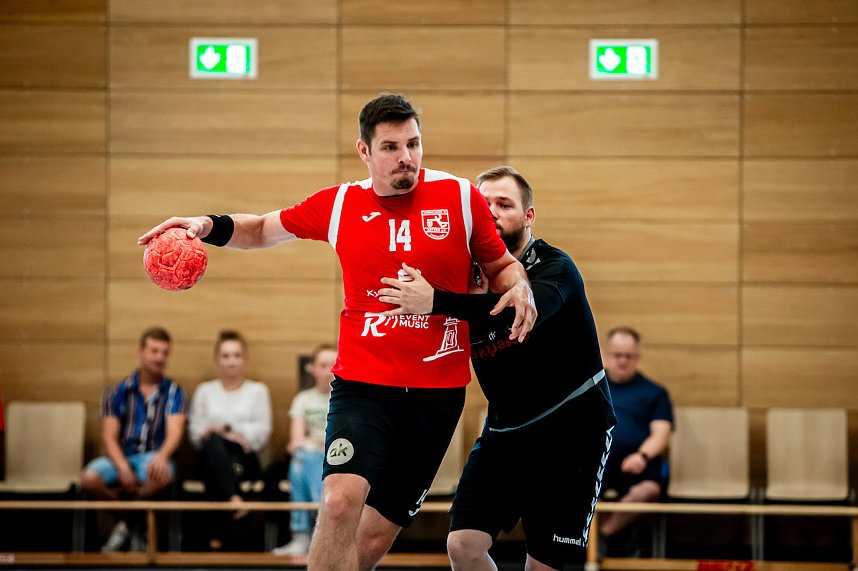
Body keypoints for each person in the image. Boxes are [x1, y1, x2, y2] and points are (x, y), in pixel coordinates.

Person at [137, 93, 536, 571]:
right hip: (364, 385)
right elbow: (261, 229)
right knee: (339, 501)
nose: (405, 157)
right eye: (390, 147)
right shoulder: (342, 204)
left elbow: (501, 265)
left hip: (436, 395)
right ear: (364, 151)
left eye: (413, 144)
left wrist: (520, 285)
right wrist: (207, 224)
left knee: (373, 537)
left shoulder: (460, 197)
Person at [378, 166, 616, 570]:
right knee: (463, 545)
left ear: (528, 215)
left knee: (543, 564)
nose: (491, 212)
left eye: (504, 204)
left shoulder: (555, 267)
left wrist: (435, 301)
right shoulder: (463, 276)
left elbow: (514, 314)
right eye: (482, 204)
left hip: (572, 431)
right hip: (506, 431)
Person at [80, 326, 187, 552]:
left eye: (165, 352)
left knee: (163, 474)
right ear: (140, 352)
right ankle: (133, 521)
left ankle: (124, 525)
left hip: (154, 456)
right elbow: (108, 436)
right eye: (154, 351)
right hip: (122, 456)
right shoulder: (116, 391)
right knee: (89, 479)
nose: (159, 357)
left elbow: (175, 433)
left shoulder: (174, 392)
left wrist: (162, 456)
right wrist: (122, 467)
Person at [188, 330, 272, 550]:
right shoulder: (205, 391)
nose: (231, 361)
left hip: (245, 457)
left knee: (215, 450)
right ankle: (234, 499)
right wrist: (220, 434)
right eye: (225, 356)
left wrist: (229, 430)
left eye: (236, 355)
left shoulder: (257, 391)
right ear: (217, 359)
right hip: (211, 456)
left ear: (245, 359)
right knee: (214, 447)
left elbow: (263, 432)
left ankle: (215, 537)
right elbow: (195, 433)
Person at [599, 326, 674, 556]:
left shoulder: (655, 392)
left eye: (628, 356)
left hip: (636, 465)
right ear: (606, 354)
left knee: (649, 490)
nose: (622, 361)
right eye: (617, 355)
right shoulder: (592, 388)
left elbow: (661, 433)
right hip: (595, 463)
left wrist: (642, 456)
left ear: (637, 357)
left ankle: (602, 536)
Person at [272, 343, 337, 556]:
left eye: (333, 364)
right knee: (302, 457)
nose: (328, 370)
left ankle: (303, 534)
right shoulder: (303, 400)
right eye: (323, 365)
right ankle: (323, 526)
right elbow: (295, 443)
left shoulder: (348, 399)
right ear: (312, 369)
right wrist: (317, 443)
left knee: (302, 462)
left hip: (339, 458)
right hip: (310, 455)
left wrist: (317, 442)